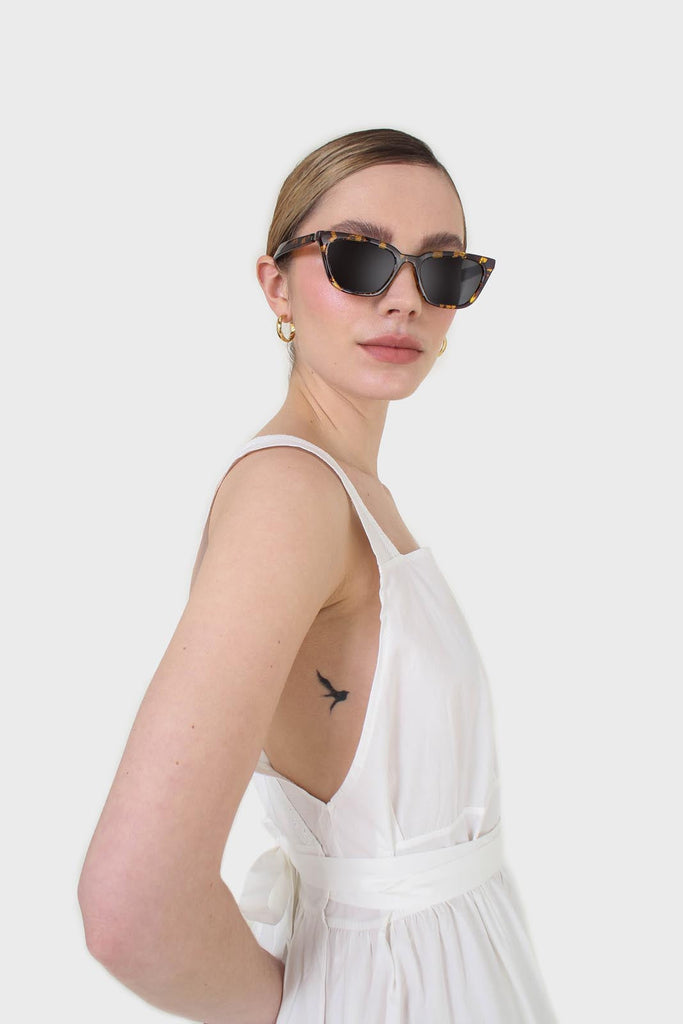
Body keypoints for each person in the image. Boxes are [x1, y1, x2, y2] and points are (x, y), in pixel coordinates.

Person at [78, 128, 558, 1022]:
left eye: (443, 269)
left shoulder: (349, 490)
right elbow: (128, 909)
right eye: (358, 258)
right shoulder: (290, 494)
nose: (405, 298)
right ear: (277, 285)